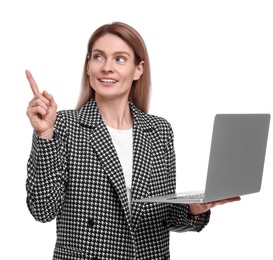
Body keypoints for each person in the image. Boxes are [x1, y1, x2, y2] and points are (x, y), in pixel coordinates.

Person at [25, 22, 240, 260]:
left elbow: (164, 216)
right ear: (88, 66)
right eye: (98, 57)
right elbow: (42, 210)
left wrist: (192, 209)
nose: (107, 67)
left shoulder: (159, 130)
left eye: (120, 59)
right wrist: (45, 135)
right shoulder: (64, 124)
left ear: (139, 69)